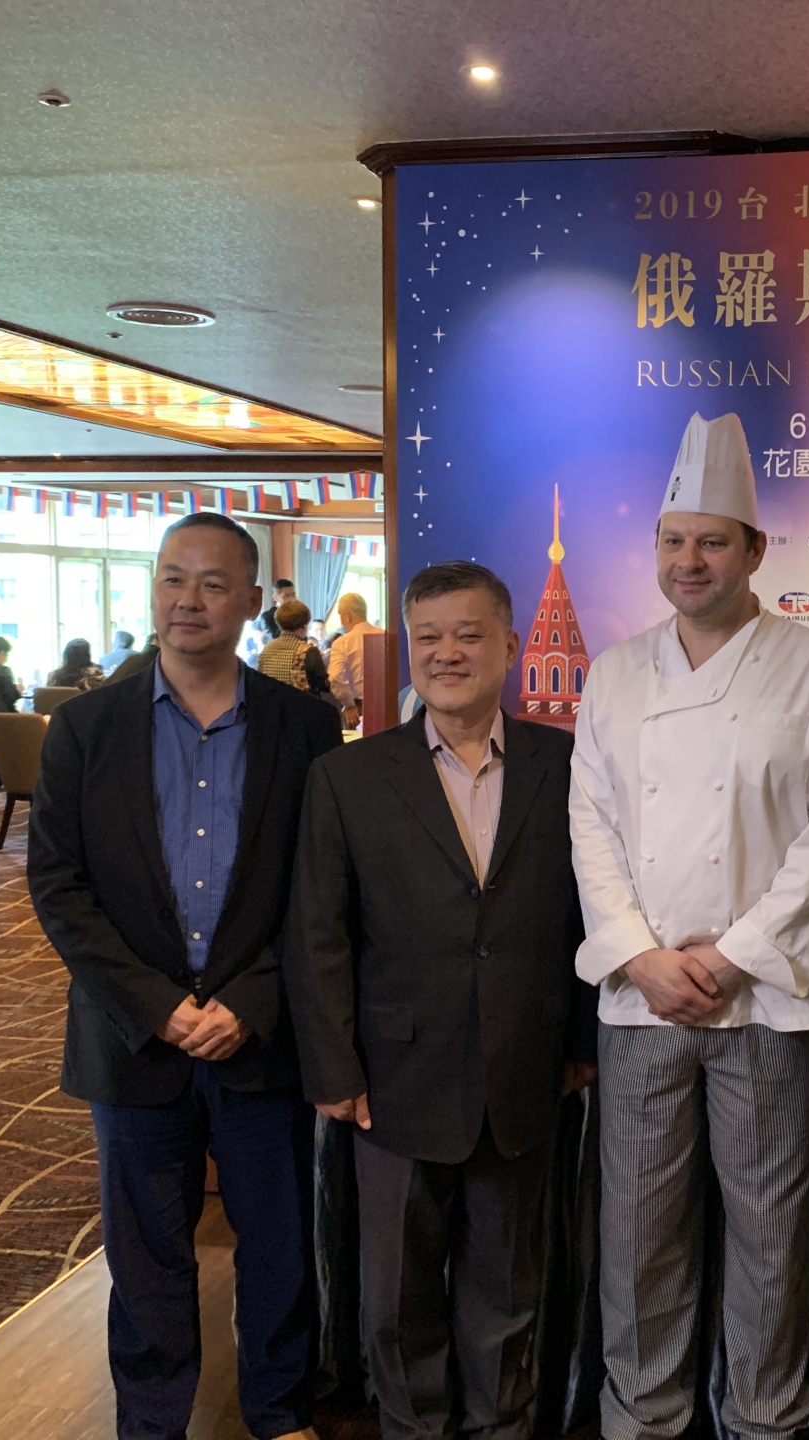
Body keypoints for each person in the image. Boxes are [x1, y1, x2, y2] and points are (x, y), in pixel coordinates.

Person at [570, 411, 809, 1440]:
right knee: (637, 1234)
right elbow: (591, 826)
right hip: (641, 999)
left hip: (767, 1004)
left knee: (770, 1234)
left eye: (710, 541)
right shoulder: (615, 672)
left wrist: (735, 957)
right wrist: (643, 957)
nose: (688, 560)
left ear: (754, 551)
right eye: (672, 541)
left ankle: (767, 1418)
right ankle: (641, 1419)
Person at [28, 512, 342, 1440]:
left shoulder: (305, 725)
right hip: (132, 1038)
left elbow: (322, 887)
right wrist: (158, 1006)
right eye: (172, 578)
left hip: (261, 1031)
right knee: (145, 1251)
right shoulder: (85, 727)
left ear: (252, 601)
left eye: (212, 583)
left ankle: (279, 1407)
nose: (188, 600)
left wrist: (251, 999)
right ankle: (154, 1418)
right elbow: (59, 885)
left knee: (278, 1240)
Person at [287, 560, 597, 1440]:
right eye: (428, 637)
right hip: (392, 1078)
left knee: (509, 1287)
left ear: (510, 644)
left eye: (468, 634)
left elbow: (589, 912)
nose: (447, 653)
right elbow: (318, 933)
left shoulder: (566, 764)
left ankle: (501, 1426)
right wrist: (335, 1068)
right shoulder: (348, 776)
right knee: (396, 1296)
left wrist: (580, 1042)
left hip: (524, 1070)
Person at [326, 592, 384, 725]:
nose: (341, 621)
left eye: (340, 615)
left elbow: (336, 676)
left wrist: (349, 704)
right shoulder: (385, 636)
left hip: (358, 708)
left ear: (347, 616)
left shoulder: (342, 643)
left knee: (357, 738)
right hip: (386, 704)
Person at [257, 600, 331, 696]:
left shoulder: (266, 649)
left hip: (272, 702)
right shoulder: (308, 651)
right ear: (304, 626)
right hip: (300, 703)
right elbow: (324, 685)